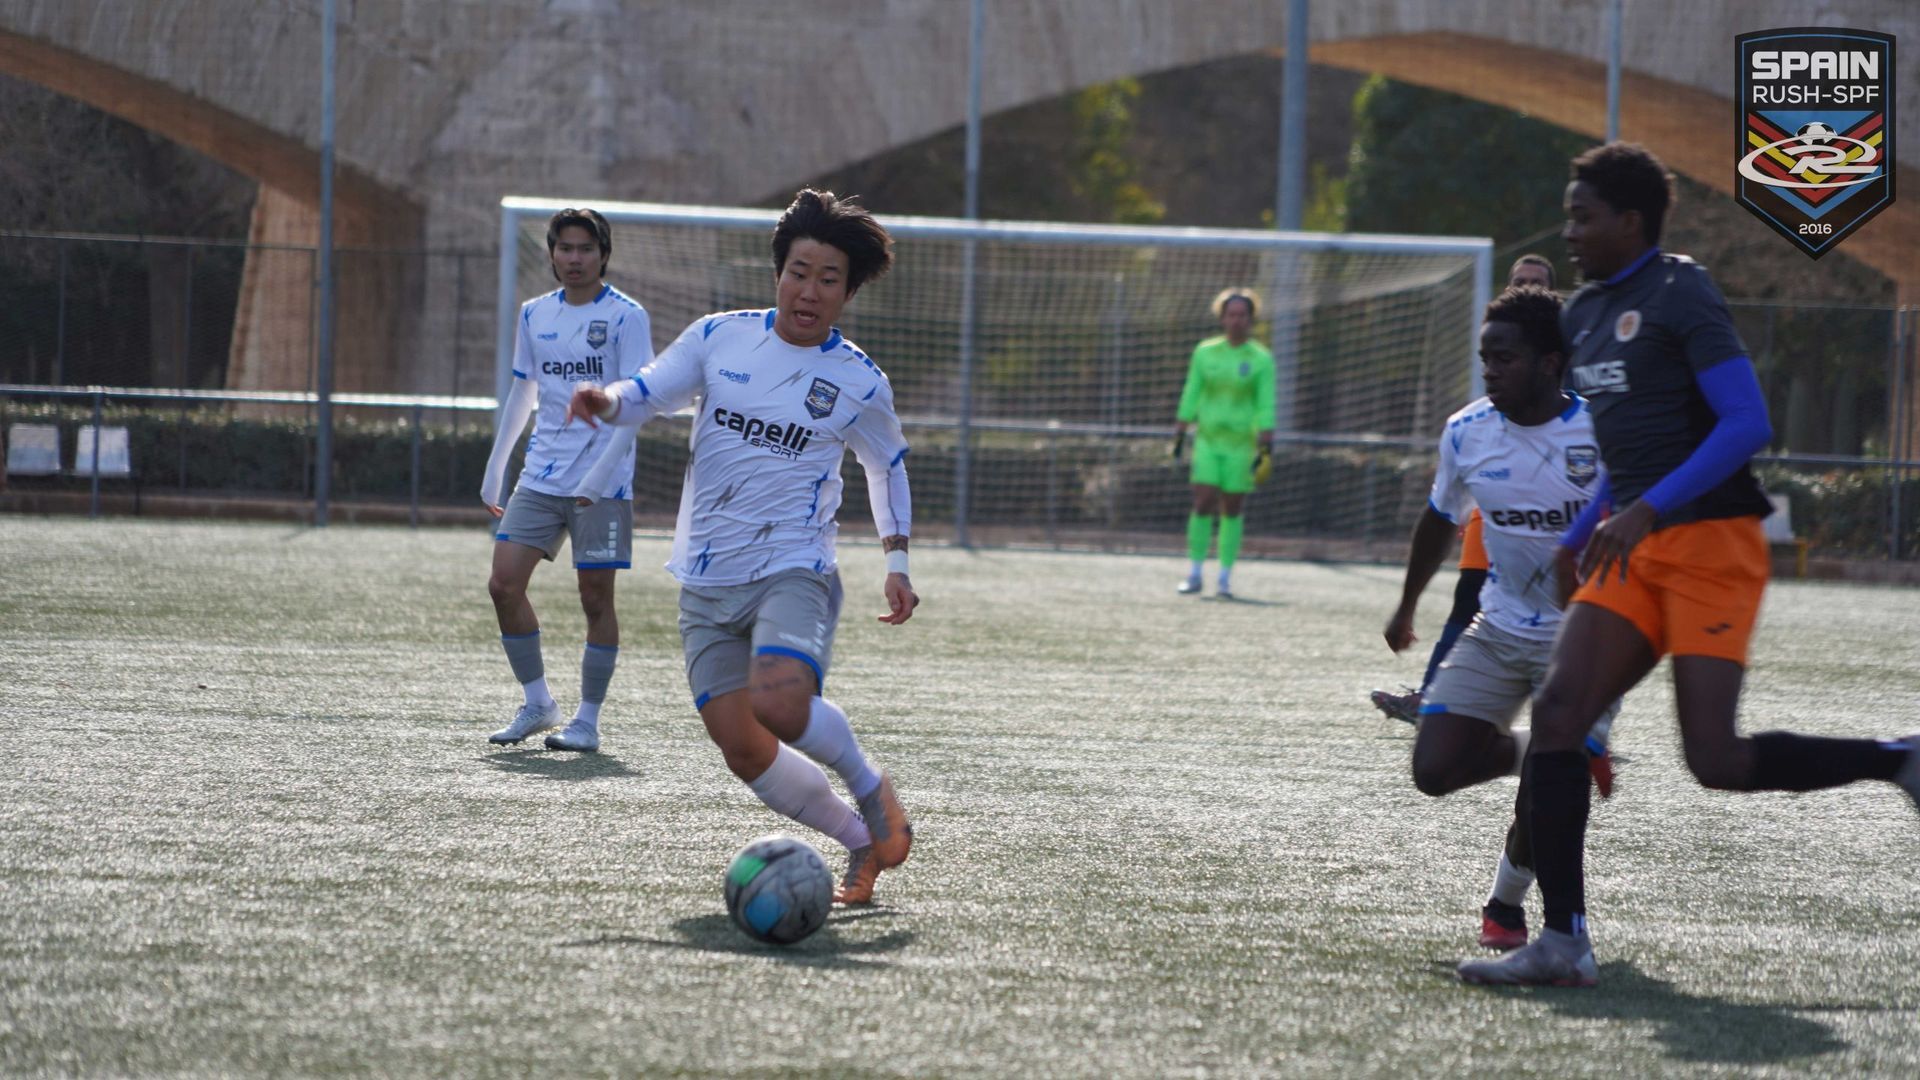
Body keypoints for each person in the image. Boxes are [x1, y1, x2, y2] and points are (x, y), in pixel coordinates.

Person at [1459, 143, 1920, 988]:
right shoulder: (1588, 313)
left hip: (1711, 545)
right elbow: (1624, 456)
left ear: (1630, 221)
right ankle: (1562, 938)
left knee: (1715, 760)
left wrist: (1643, 510)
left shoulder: (1682, 290)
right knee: (1559, 714)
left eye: (1582, 216)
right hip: (1633, 547)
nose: (1569, 231)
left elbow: (1746, 424)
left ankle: (1897, 761)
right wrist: (1584, 530)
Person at [565, 189, 916, 904]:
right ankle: (860, 846)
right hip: (704, 576)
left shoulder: (858, 380)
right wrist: (605, 400)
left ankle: (871, 785)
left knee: (781, 703)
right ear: (777, 272)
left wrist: (897, 560)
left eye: (827, 279)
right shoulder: (718, 337)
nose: (807, 290)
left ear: (848, 292)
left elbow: (887, 465)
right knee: (743, 745)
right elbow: (647, 393)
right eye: (797, 271)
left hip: (796, 568)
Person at [1383, 284, 1618, 952]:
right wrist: (1405, 606)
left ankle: (1507, 908)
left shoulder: (1601, 432)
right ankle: (1548, 751)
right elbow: (1438, 519)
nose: (1490, 369)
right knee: (1432, 771)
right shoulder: (1466, 431)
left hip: (1587, 637)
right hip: (1499, 627)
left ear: (1550, 362)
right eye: (1485, 357)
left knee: (1549, 781)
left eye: (1505, 357)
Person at [480, 207, 651, 753]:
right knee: (503, 583)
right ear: (551, 254)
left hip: (604, 484)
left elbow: (637, 404)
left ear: (603, 254)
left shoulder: (628, 316)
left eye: (585, 249)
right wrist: (496, 465)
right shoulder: (534, 314)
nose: (574, 258)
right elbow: (524, 391)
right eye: (565, 248)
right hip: (541, 476)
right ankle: (538, 702)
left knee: (595, 598)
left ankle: (587, 721)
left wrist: (602, 475)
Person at [1370, 254, 1560, 725]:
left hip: (1567, 586)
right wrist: (1406, 607)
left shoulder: (1575, 392)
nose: (1527, 289)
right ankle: (1435, 698)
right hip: (1492, 508)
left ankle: (1560, 724)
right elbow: (1439, 514)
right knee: (1471, 593)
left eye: (1537, 283)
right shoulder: (1472, 423)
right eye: (1520, 282)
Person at [1172, 288, 1276, 600]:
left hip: (1241, 444)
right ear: (1222, 317)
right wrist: (1182, 422)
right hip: (1208, 440)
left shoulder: (1260, 359)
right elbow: (1193, 388)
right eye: (1231, 314)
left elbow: (1265, 400)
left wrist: (1267, 434)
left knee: (1232, 506)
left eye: (1242, 315)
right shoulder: (1205, 352)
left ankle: (1225, 578)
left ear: (1250, 319)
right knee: (1203, 500)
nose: (1236, 320)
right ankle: (1193, 572)